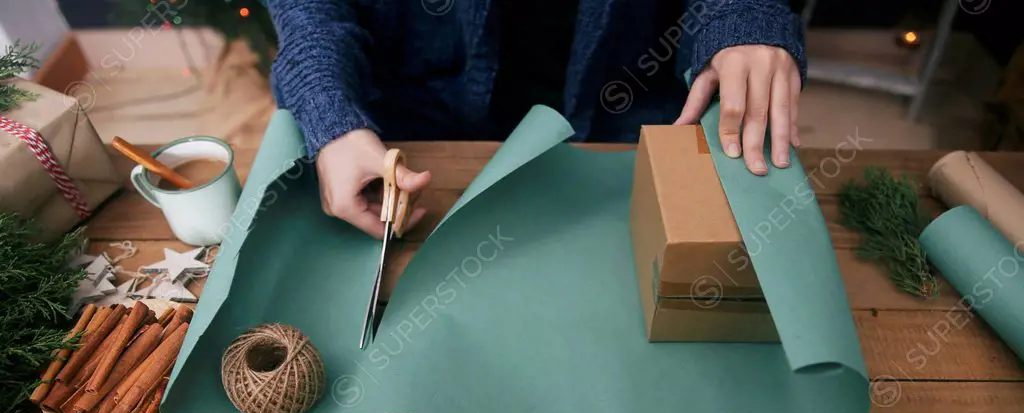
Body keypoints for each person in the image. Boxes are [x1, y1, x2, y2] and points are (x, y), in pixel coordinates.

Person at [268, 0, 806, 238]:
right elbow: (312, 11)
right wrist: (330, 116)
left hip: (621, 106)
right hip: (415, 125)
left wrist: (744, 17)